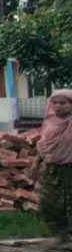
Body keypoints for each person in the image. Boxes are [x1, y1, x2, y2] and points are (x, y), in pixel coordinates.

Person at [38, 89, 72, 242]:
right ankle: (60, 233)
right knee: (49, 201)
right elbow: (43, 144)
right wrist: (37, 162)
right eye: (55, 103)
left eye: (63, 103)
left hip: (70, 167)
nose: (58, 106)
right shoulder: (49, 122)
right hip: (52, 167)